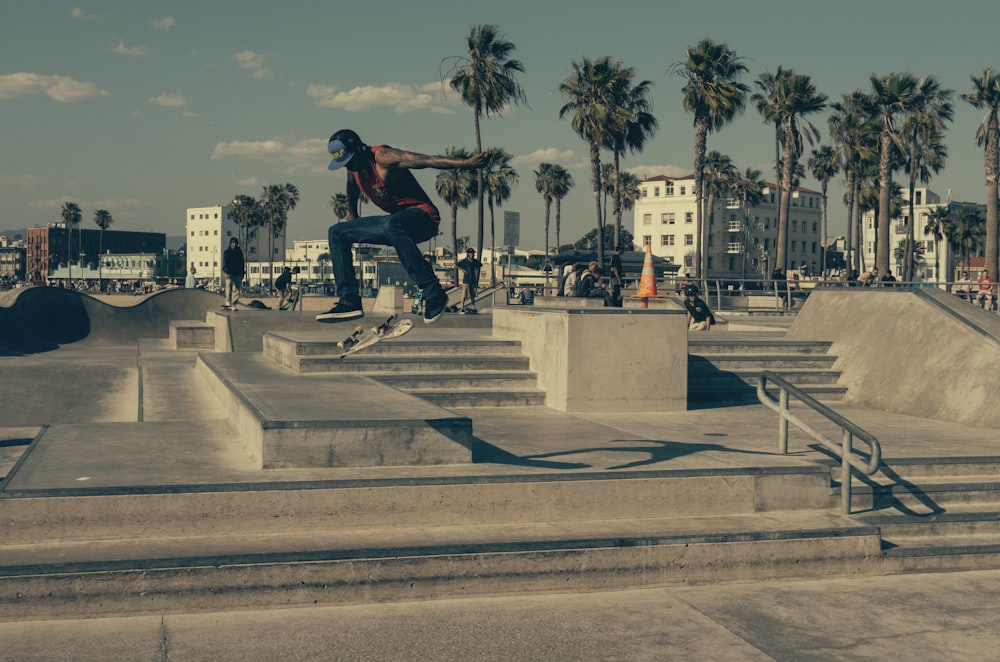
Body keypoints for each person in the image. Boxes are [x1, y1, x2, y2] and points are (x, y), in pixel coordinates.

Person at [317, 129, 487, 323]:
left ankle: (434, 293)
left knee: (392, 223)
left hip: (424, 218)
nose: (351, 167)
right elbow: (351, 184)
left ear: (361, 149)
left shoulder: (384, 157)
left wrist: (466, 164)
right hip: (396, 226)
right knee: (337, 232)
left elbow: (426, 160)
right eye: (347, 164)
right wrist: (352, 213)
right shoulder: (353, 168)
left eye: (352, 161)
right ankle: (349, 300)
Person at [456, 248, 483, 313]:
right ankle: (462, 308)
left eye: (473, 253)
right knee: (464, 295)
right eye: (470, 253)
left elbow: (480, 265)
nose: (472, 254)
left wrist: (475, 269)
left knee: (472, 295)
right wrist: (462, 270)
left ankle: (473, 307)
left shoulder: (474, 261)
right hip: (466, 280)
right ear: (468, 253)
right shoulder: (464, 261)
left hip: (473, 280)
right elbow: (455, 265)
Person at [221, 237, 245, 308]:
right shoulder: (227, 252)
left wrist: (242, 273)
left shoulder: (239, 252)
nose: (234, 244)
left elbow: (242, 263)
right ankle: (228, 302)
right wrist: (226, 272)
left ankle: (234, 303)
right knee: (229, 287)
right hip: (229, 273)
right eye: (233, 243)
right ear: (230, 243)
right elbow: (225, 263)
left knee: (237, 289)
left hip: (237, 273)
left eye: (235, 243)